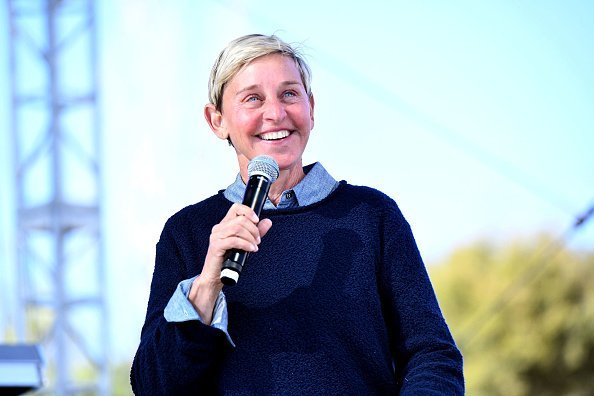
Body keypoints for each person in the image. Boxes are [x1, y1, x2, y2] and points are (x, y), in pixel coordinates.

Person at [131, 33, 464, 395]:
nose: (275, 113)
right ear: (217, 121)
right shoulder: (189, 233)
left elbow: (432, 354)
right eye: (253, 98)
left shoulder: (372, 215)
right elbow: (153, 386)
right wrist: (207, 284)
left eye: (289, 94)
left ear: (312, 108)